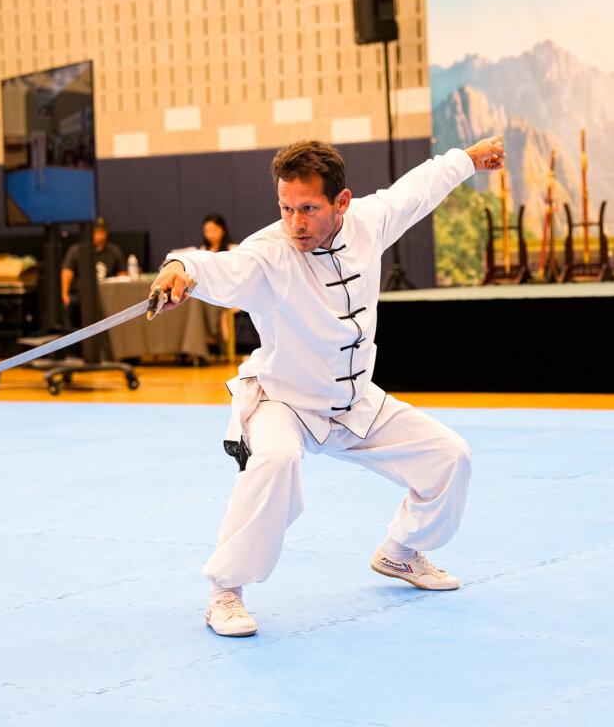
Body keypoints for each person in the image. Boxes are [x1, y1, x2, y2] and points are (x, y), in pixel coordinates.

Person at [151, 135, 506, 637]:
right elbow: (219, 266)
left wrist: (467, 159)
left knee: (451, 457)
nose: (295, 223)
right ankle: (225, 592)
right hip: (284, 401)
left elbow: (420, 187)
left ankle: (401, 553)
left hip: (355, 401)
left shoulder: (370, 222)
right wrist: (180, 268)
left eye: (309, 208)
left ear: (342, 202)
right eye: (286, 208)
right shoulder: (268, 254)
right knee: (275, 460)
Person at [61, 216, 123, 326]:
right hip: (81, 296)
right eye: (96, 232)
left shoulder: (114, 251)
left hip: (107, 296)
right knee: (73, 304)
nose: (99, 236)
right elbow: (67, 271)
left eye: (102, 232)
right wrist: (65, 294)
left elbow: (123, 275)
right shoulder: (77, 251)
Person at [198, 214, 238, 355]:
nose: (210, 235)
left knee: (220, 307)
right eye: (206, 231)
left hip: (232, 294)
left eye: (213, 230)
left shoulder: (233, 249)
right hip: (211, 293)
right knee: (198, 303)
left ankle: (217, 341)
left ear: (222, 230)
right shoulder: (203, 251)